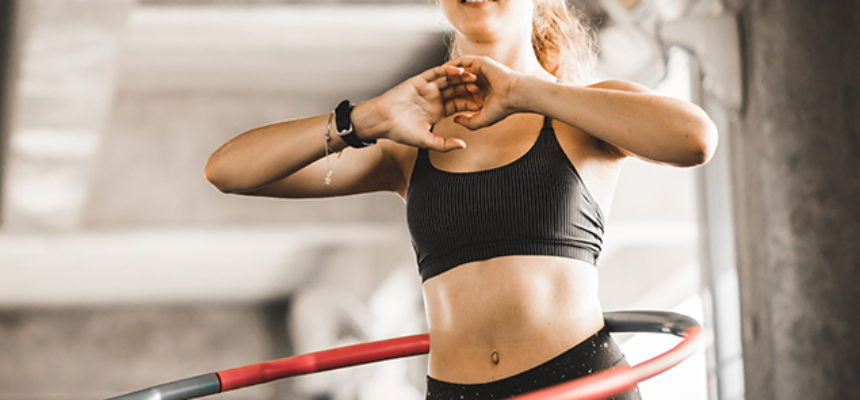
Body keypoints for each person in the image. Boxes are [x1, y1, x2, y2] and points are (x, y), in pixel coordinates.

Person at [203, 0, 718, 398]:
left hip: (578, 381)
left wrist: (526, 92)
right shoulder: (407, 140)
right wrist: (367, 119)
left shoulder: (580, 112)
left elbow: (695, 139)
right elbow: (228, 170)